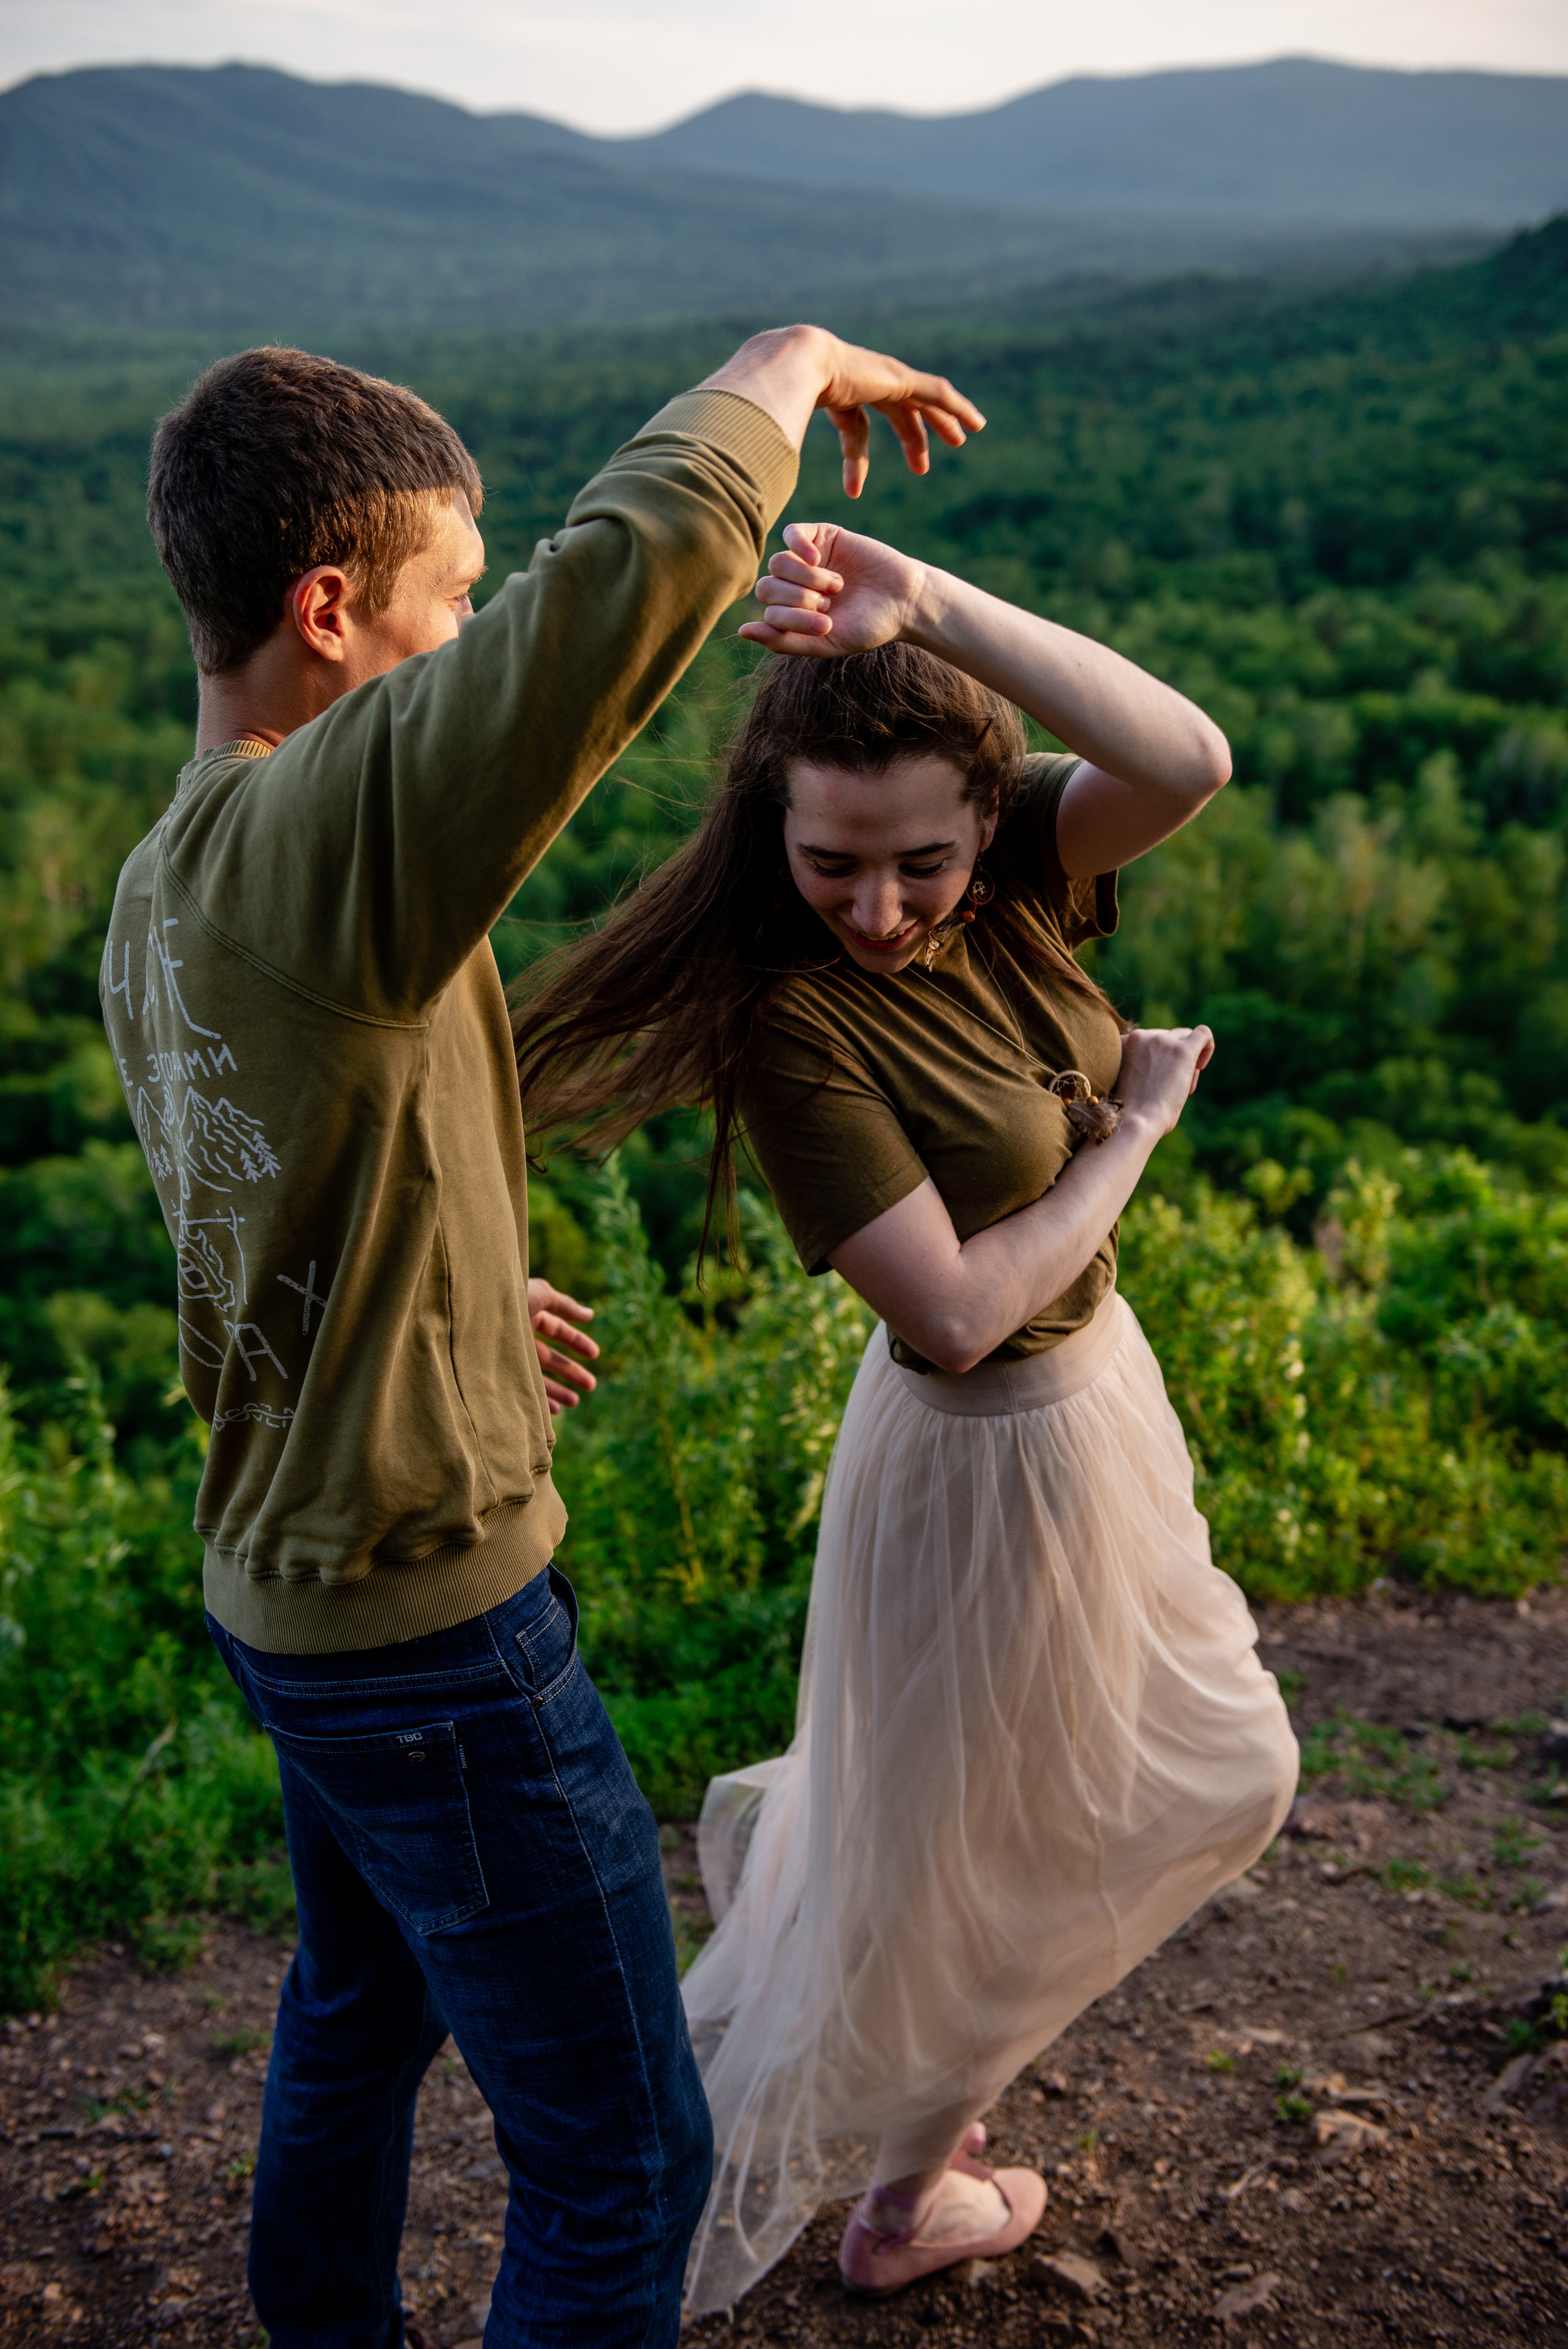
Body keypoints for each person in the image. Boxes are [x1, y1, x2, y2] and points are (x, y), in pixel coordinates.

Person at [99, 331, 984, 2349]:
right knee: (621, 2166)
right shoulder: (315, 837)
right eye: (449, 602)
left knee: (356, 2002)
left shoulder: (167, 881)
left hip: (287, 1586)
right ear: (330, 613)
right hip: (432, 1632)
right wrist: (787, 360)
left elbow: (263, 1168)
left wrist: (458, 1289)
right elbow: (628, 578)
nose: (476, 632)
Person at [511, 518, 1301, 2312]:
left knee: (1103, 1788)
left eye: (920, 862)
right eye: (831, 863)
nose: (876, 910)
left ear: (988, 818)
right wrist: (1137, 1133)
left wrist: (932, 606)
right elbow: (951, 1310)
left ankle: (905, 2174)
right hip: (977, 1457)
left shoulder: (1028, 866)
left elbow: (1190, 757)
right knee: (998, 1825)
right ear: (773, 832)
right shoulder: (795, 1028)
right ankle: (897, 2195)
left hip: (1101, 1408)